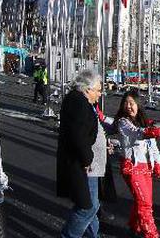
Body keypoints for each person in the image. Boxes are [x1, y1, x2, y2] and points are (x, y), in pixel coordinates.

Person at [57, 69, 108, 238]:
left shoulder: (80, 101)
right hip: (84, 164)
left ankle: (93, 235)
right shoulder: (79, 102)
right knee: (88, 206)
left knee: (91, 204)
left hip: (88, 162)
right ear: (88, 89)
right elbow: (78, 135)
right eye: (98, 90)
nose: (100, 94)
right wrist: (87, 159)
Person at [115, 90, 160, 238]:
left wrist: (158, 163)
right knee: (145, 203)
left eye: (131, 103)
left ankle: (134, 226)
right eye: (126, 103)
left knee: (143, 201)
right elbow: (137, 133)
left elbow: (152, 146)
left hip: (146, 167)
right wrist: (157, 132)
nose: (128, 106)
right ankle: (151, 234)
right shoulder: (123, 122)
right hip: (132, 167)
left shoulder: (144, 122)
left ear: (138, 105)